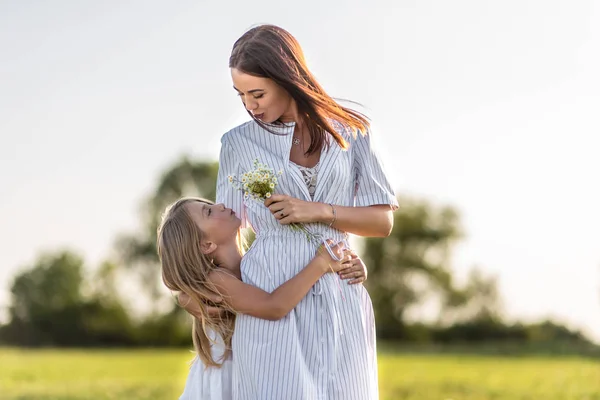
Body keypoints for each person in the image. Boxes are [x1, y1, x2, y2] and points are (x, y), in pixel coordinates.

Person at [216, 24, 399, 399]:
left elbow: (382, 221)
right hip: (270, 290)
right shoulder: (236, 144)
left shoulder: (353, 132)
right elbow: (224, 237)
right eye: (241, 95)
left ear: (288, 79)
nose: (250, 106)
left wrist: (317, 212)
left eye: (258, 93)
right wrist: (232, 303)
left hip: (339, 293)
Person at [156, 197, 368, 400]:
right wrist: (321, 264)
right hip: (225, 382)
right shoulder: (216, 280)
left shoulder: (253, 263)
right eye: (208, 212)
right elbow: (274, 306)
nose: (220, 204)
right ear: (206, 245)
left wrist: (351, 264)